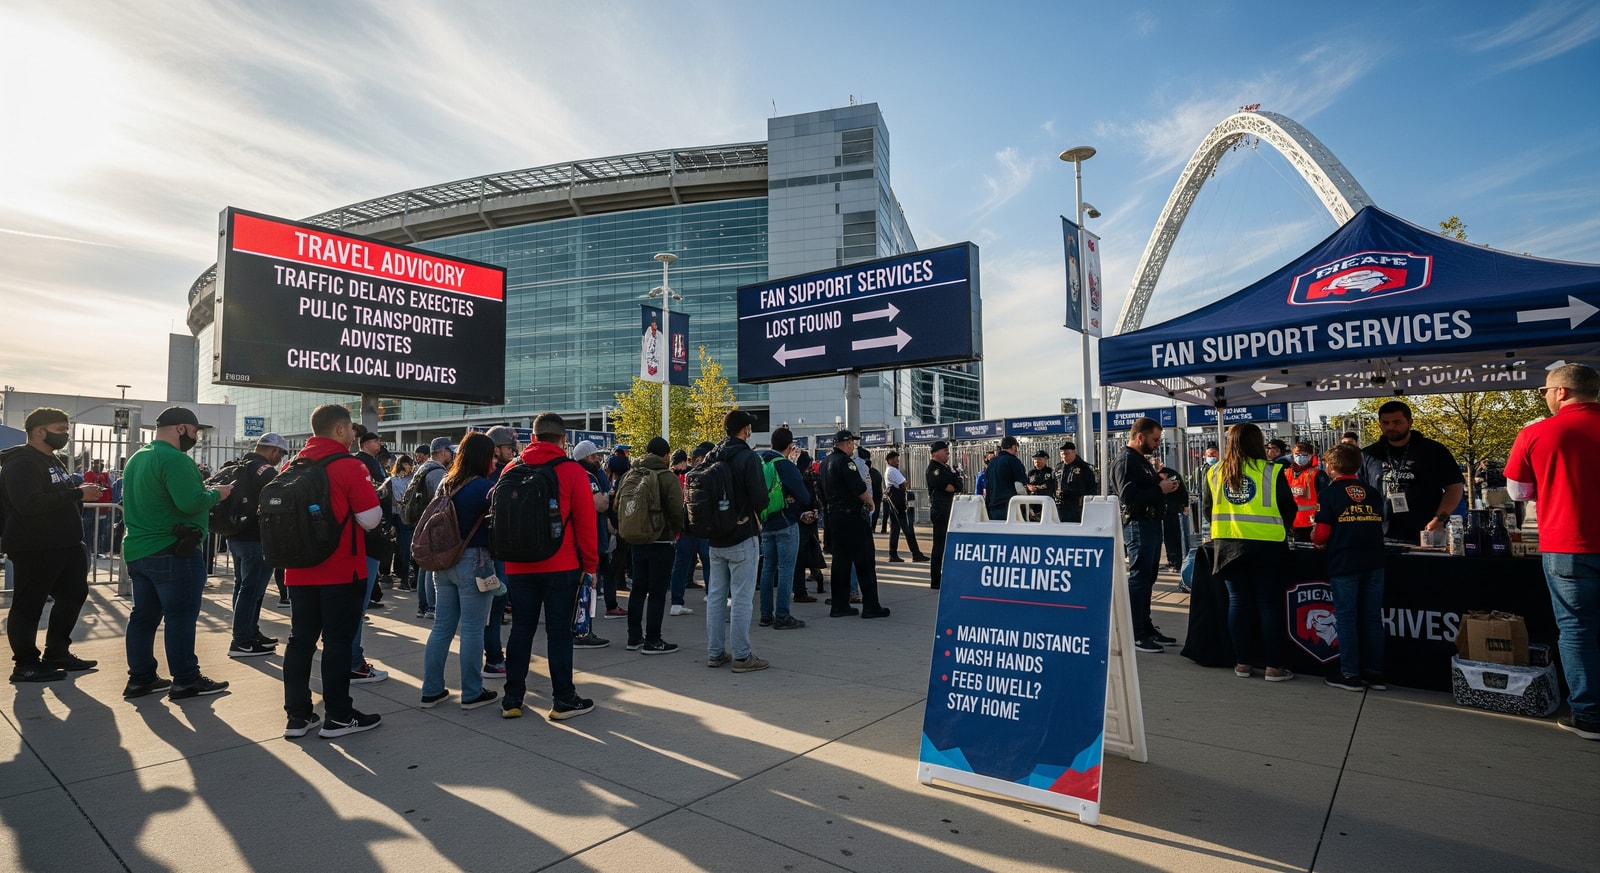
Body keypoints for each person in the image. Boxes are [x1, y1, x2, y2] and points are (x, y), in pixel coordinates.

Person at [1505, 363, 1600, 741]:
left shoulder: (1535, 433)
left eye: (1544, 390)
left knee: (1577, 629)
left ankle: (1589, 715)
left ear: (1561, 391)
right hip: (1570, 545)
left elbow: (1518, 493)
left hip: (1568, 544)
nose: (1543, 396)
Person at [279, 404, 384, 738]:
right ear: (340, 430)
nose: (355, 434)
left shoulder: (290, 465)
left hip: (298, 571)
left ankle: (298, 716)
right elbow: (370, 518)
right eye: (352, 429)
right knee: (337, 644)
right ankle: (338, 716)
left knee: (300, 641)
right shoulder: (348, 466)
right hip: (341, 570)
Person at [120, 406, 232, 702]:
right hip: (173, 551)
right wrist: (217, 494)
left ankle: (140, 678)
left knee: (143, 617)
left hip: (139, 549)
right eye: (195, 431)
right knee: (180, 617)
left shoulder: (138, 458)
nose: (196, 437)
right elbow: (190, 502)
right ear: (181, 428)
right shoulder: (175, 459)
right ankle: (185, 680)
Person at [501, 413, 599, 720]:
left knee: (521, 630)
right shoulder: (571, 471)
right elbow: (585, 524)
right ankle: (563, 699)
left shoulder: (511, 468)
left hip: (517, 565)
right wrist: (591, 566)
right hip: (561, 564)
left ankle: (513, 699)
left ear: (532, 438)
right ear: (563, 440)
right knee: (559, 632)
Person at [2, 407, 102, 682]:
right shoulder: (21, 462)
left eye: (67, 431)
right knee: (29, 605)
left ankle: (57, 652)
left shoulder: (53, 460)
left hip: (66, 545)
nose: (65, 436)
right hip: (35, 547)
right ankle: (25, 664)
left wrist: (76, 496)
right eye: (60, 431)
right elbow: (28, 503)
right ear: (38, 431)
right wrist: (75, 494)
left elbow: (59, 496)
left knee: (73, 594)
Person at [1205, 423, 1298, 683]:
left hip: (1228, 545)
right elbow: (1288, 508)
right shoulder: (1271, 470)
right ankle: (1273, 667)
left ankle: (1242, 663)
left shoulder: (1215, 472)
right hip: (1267, 545)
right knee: (1269, 605)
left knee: (1238, 602)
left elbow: (1207, 508)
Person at [419, 432, 499, 712]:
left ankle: (431, 690)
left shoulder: (446, 483)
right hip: (474, 561)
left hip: (444, 562)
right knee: (473, 629)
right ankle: (472, 692)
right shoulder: (485, 488)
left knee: (441, 627)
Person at [1312, 444, 1386, 692]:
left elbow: (1321, 534)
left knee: (1345, 619)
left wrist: (1315, 538)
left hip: (1345, 562)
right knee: (1372, 619)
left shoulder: (1330, 494)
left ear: (1330, 467)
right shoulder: (1372, 492)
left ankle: (1350, 674)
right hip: (1375, 561)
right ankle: (1375, 674)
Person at [705, 410, 774, 671]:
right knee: (742, 598)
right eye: (749, 427)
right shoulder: (747, 457)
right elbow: (760, 498)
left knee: (716, 596)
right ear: (744, 430)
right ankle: (742, 656)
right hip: (742, 535)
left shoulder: (712, 456)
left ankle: (715, 652)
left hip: (715, 537)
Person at [1109, 418, 1179, 654]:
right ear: (1140, 437)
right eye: (1155, 439)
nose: (1157, 444)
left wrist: (1162, 485)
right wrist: (1159, 488)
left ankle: (1145, 626)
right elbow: (1128, 496)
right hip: (1138, 524)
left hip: (1149, 523)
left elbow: (1143, 490)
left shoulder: (1140, 461)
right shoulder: (1126, 460)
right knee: (1139, 579)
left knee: (1147, 578)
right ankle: (1135, 632)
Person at [1362, 401, 1464, 544]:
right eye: (1385, 422)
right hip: (1380, 536)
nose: (1391, 427)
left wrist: (1439, 519)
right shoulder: (1368, 455)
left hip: (1425, 533)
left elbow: (1454, 487)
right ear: (1379, 423)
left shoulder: (1434, 451)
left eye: (1397, 422)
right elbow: (1358, 492)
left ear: (1410, 422)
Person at [224, 433, 288, 658]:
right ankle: (241, 640)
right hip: (256, 538)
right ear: (274, 451)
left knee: (242, 586)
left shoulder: (239, 465)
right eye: (280, 454)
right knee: (252, 589)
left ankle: (250, 633)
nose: (280, 458)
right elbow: (280, 500)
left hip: (235, 535)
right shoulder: (266, 471)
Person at [623, 436, 687, 653]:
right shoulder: (666, 477)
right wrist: (675, 531)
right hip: (661, 539)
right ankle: (653, 640)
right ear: (666, 455)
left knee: (638, 589)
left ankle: (633, 638)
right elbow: (677, 510)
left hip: (637, 539)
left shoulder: (631, 474)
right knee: (657, 592)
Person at [819, 430, 888, 620]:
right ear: (848, 442)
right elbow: (858, 488)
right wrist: (870, 502)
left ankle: (839, 605)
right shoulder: (846, 462)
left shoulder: (825, 463)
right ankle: (871, 606)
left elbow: (821, 493)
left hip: (834, 516)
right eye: (852, 443)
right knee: (864, 560)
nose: (853, 446)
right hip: (853, 517)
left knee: (841, 561)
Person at [756, 427, 812, 630]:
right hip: (786, 523)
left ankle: (765, 615)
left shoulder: (761, 462)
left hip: (766, 522)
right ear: (790, 446)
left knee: (768, 568)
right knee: (786, 569)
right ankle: (782, 616)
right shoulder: (786, 466)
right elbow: (805, 498)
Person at [571, 440, 615, 647]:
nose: (597, 459)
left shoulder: (582, 475)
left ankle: (581, 629)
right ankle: (582, 630)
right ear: (585, 458)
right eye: (593, 456)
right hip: (588, 540)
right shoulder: (587, 477)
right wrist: (604, 498)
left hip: (586, 539)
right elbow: (601, 504)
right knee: (587, 586)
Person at [669, 442, 714, 614]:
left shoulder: (678, 477)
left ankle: (676, 602)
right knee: (708, 562)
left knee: (680, 564)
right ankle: (711, 594)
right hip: (701, 526)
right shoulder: (706, 475)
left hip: (684, 527)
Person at [924, 441, 963, 590]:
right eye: (944, 451)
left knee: (948, 545)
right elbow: (949, 487)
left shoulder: (945, 468)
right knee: (939, 545)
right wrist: (955, 483)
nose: (948, 453)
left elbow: (959, 486)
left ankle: (945, 575)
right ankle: (935, 579)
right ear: (935, 453)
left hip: (949, 509)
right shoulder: (934, 470)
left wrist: (956, 482)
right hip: (941, 510)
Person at [883, 450, 926, 562]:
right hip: (898, 502)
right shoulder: (893, 470)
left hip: (893, 502)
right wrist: (905, 485)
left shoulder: (889, 470)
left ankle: (893, 554)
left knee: (895, 529)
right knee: (907, 528)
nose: (897, 461)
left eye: (897, 459)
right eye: (895, 459)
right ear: (889, 460)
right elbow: (904, 483)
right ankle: (916, 553)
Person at [1152, 453, 1189, 572]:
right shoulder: (1147, 474)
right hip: (1155, 511)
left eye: (1156, 460)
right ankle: (1160, 562)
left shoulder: (1171, 473)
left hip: (1171, 509)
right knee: (1156, 539)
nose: (1154, 462)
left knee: (1172, 536)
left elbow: (1181, 489)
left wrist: (1185, 505)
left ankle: (1175, 562)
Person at [982, 437, 1028, 521]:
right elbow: (1021, 485)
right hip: (1011, 507)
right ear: (1014, 447)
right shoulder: (1013, 461)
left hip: (993, 507)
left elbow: (987, 487)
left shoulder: (991, 463)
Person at [1284, 440, 1320, 543]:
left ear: (1310, 456)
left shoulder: (1317, 475)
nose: (1300, 457)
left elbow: (1324, 499)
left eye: (1304, 455)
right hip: (1291, 523)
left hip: (1310, 524)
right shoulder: (1286, 473)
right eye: (1297, 454)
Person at [1053, 441, 1095, 525]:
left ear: (1073, 452)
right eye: (1062, 452)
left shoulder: (1084, 468)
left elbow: (1092, 488)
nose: (1064, 453)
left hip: (1077, 507)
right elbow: (1053, 485)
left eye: (1067, 452)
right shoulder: (1058, 468)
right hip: (1060, 507)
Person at [1024, 450, 1056, 522]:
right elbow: (1026, 484)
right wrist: (1029, 487)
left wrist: (1036, 488)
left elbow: (1049, 485)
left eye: (1039, 459)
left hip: (1045, 503)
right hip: (1033, 504)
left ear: (1045, 460)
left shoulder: (1050, 472)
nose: (1036, 461)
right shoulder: (1031, 473)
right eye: (1035, 459)